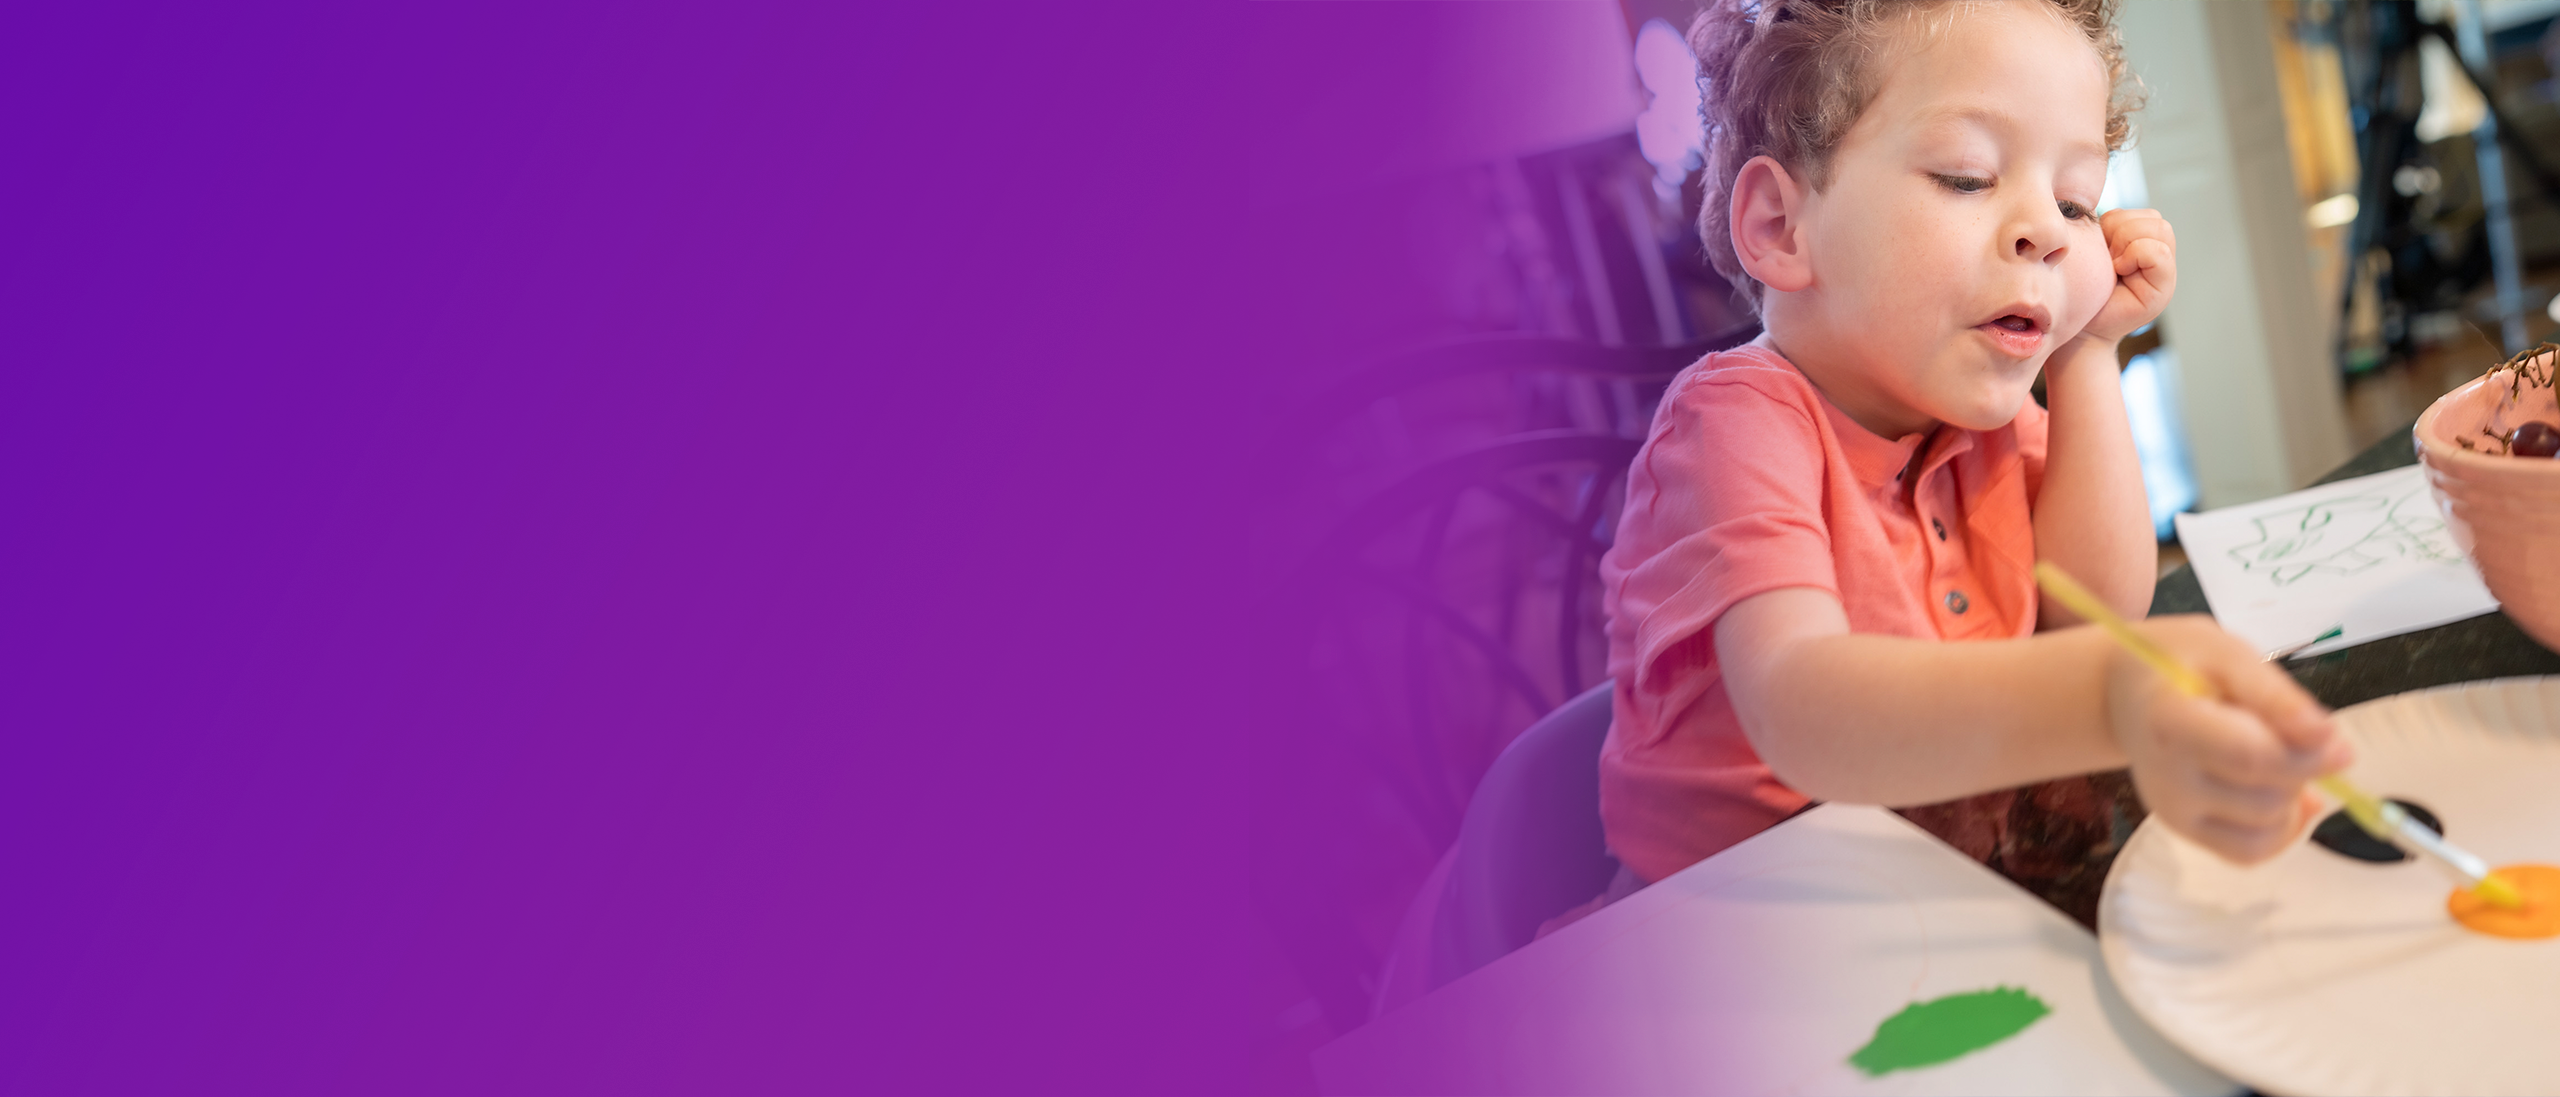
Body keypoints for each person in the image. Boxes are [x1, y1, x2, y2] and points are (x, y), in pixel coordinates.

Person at [1596, 0, 2350, 892]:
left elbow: (2092, 604)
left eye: (2076, 200)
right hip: (1745, 933)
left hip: (1944, 888)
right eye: (1967, 175)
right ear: (1780, 228)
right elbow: (1807, 712)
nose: (2049, 232)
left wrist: (2086, 355)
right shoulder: (1736, 425)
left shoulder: (1970, 415)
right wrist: (2107, 695)